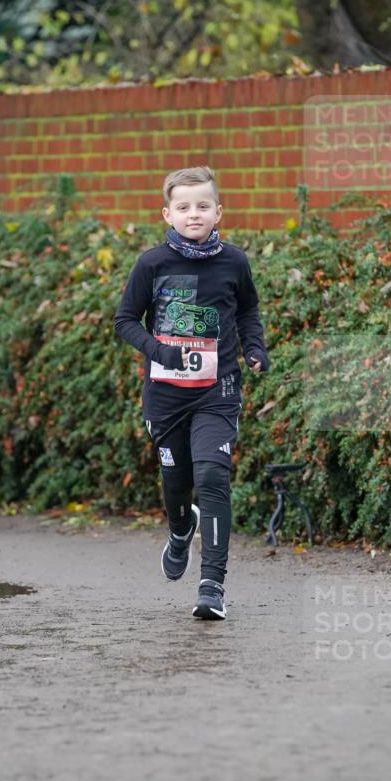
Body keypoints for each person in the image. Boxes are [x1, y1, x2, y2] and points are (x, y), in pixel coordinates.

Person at [115, 166, 269, 620]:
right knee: (177, 485)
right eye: (183, 207)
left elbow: (248, 310)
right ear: (168, 214)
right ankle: (181, 529)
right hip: (166, 396)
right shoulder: (152, 264)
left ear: (218, 211)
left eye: (203, 205)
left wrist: (254, 348)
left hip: (217, 392)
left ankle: (212, 587)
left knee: (213, 476)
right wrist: (158, 350)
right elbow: (125, 320)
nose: (194, 214)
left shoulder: (234, 262)